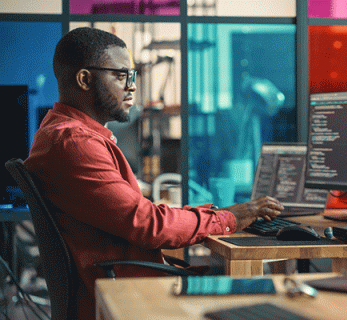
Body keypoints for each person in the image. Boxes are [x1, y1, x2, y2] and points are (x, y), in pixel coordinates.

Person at [24, 27, 284, 319]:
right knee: (267, 300)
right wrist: (230, 217)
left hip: (119, 287)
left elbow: (141, 216)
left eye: (132, 76)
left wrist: (218, 213)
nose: (132, 86)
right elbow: (148, 224)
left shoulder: (64, 134)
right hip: (124, 297)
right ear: (84, 79)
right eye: (121, 75)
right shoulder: (75, 143)